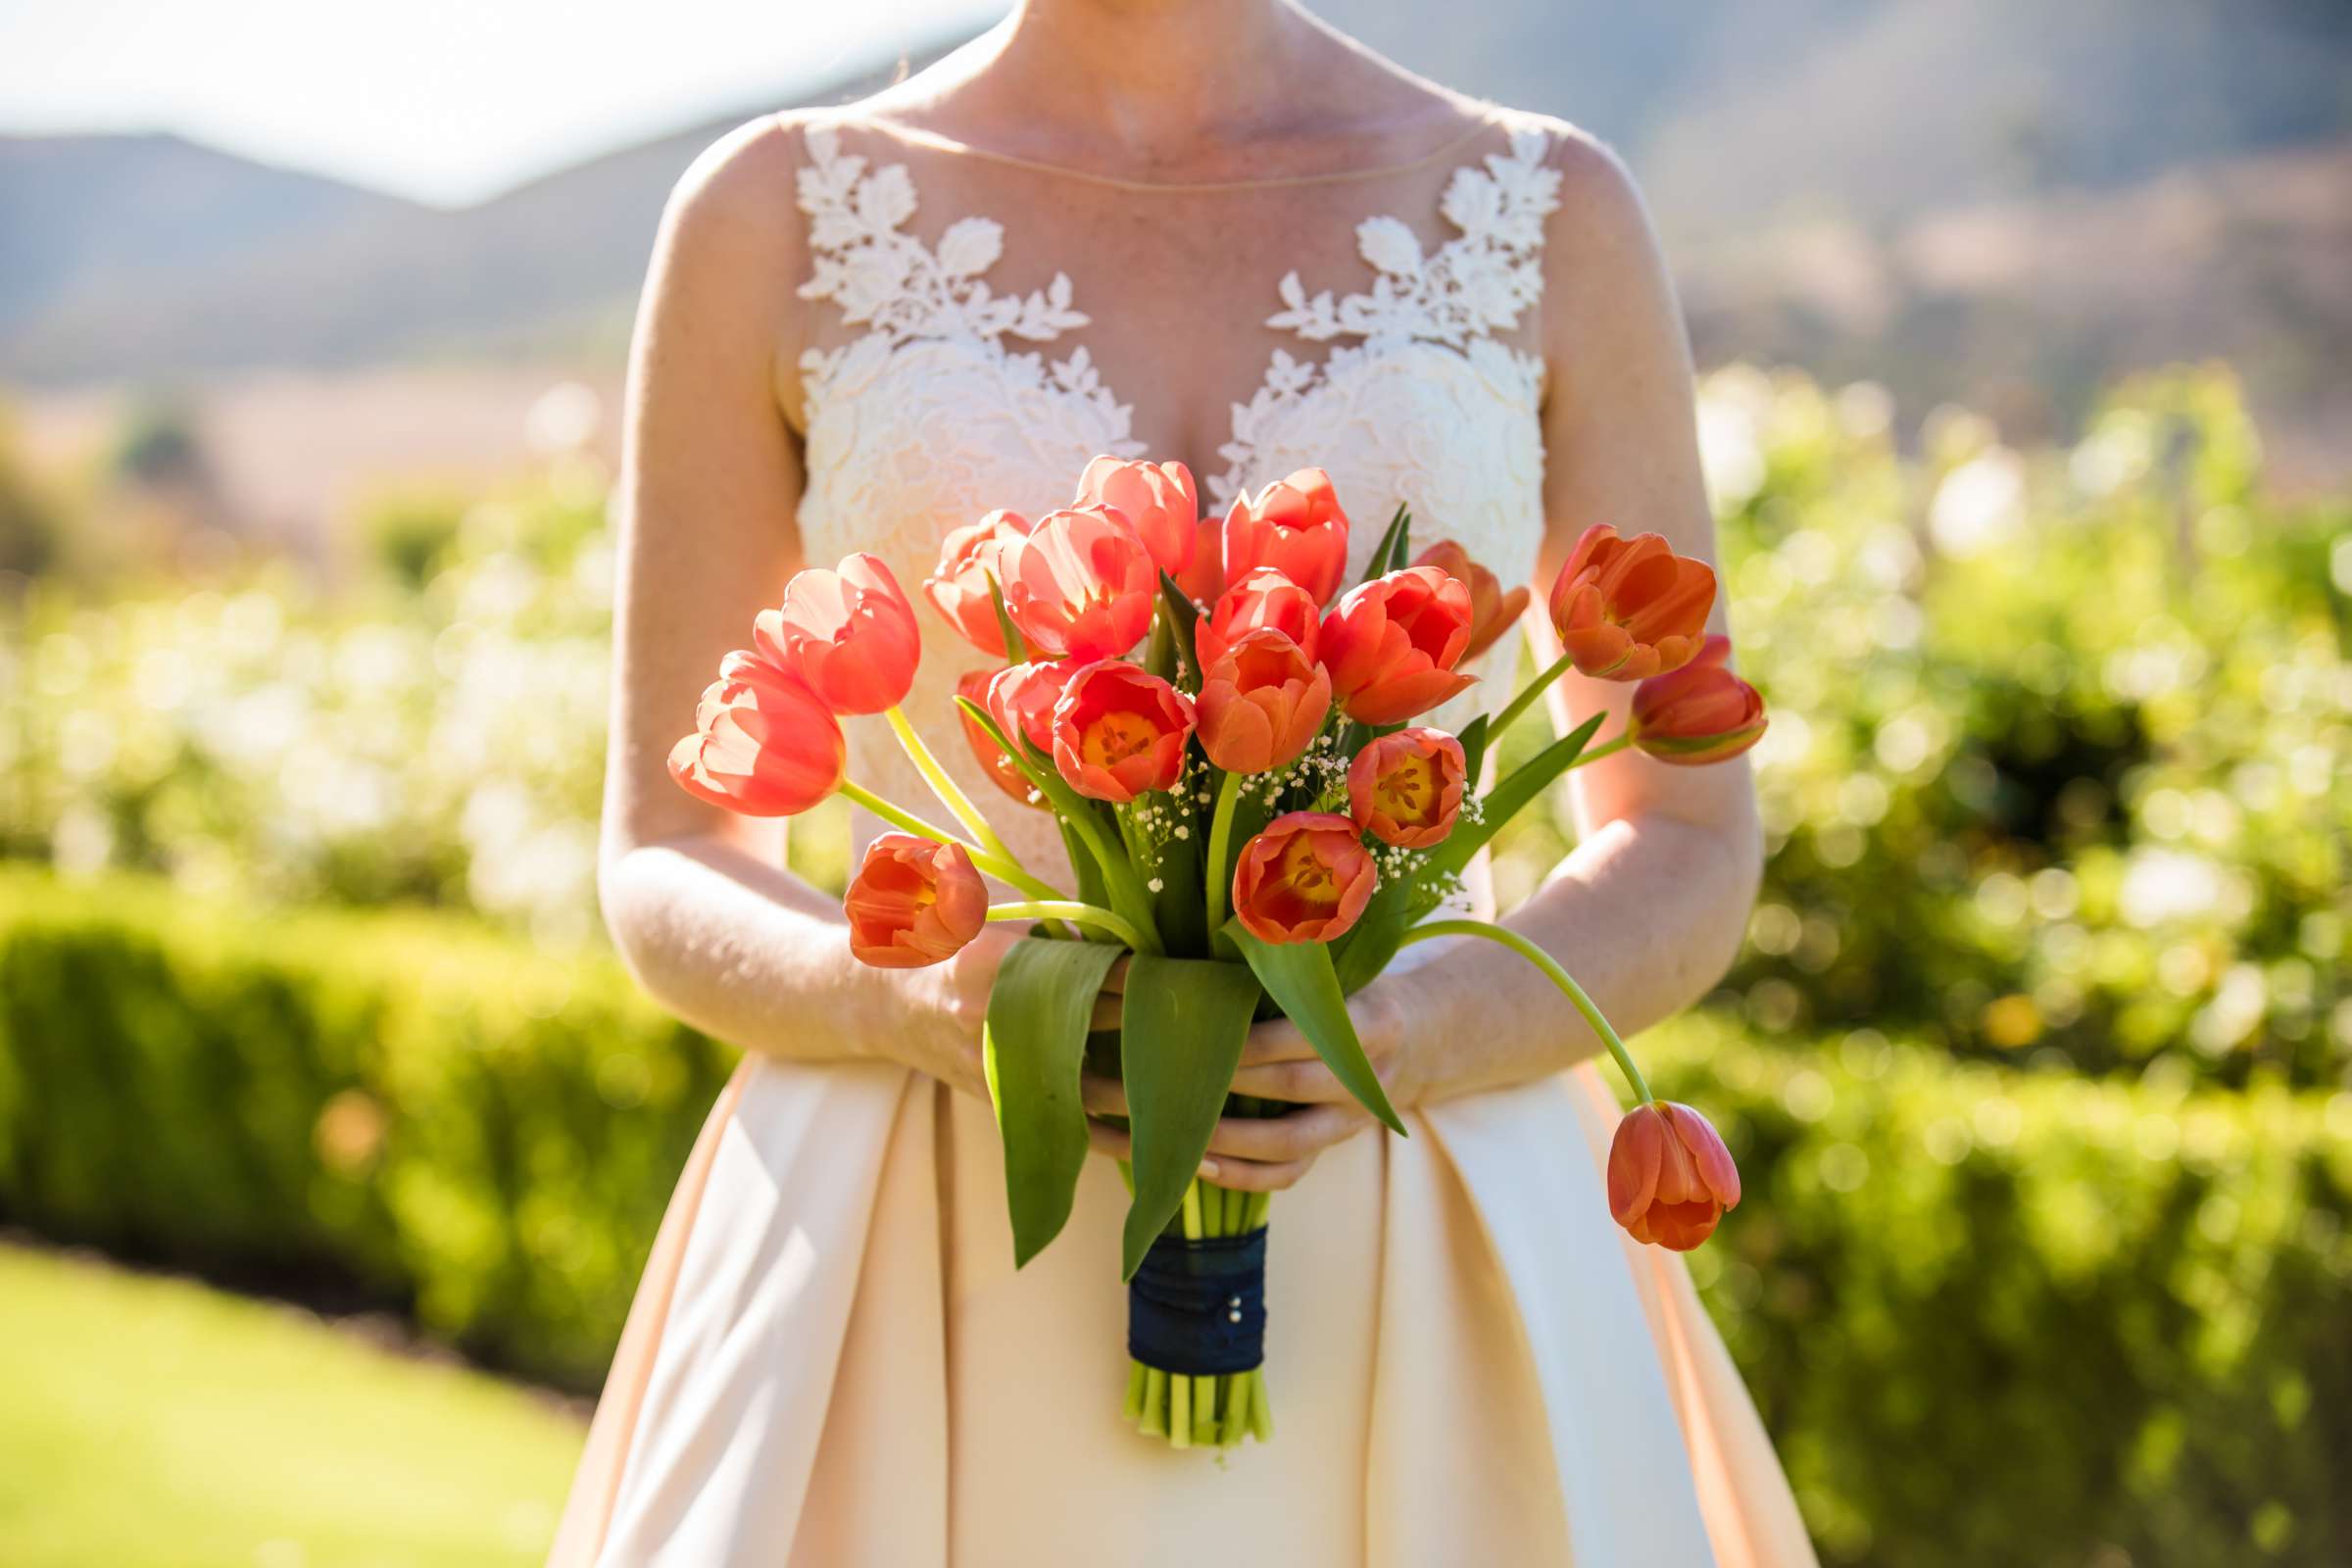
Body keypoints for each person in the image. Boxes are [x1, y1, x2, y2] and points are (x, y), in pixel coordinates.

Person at [552, 1, 1818, 1561]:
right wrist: (908, 997)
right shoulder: (774, 212)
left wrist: (1408, 1035)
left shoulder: (1546, 210)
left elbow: (1688, 833)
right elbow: (669, 848)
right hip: (910, 1234)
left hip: (1437, 1216)